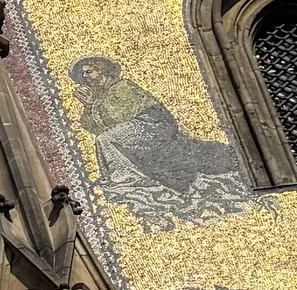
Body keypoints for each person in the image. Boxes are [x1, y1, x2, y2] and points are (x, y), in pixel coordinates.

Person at [68, 54, 244, 224]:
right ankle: (121, 175)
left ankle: (126, 178)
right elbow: (91, 126)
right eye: (83, 74)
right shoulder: (100, 95)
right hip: (135, 128)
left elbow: (116, 118)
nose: (85, 76)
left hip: (153, 125)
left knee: (106, 139)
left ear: (101, 69)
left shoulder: (121, 86)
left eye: (89, 71)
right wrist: (91, 105)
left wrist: (92, 104)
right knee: (104, 138)